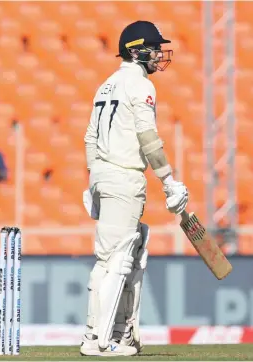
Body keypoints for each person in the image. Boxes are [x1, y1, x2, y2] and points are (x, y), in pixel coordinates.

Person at [81, 21, 189, 357]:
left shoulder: (106, 84)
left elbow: (89, 138)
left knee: (132, 253)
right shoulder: (139, 85)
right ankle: (97, 341)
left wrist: (93, 179)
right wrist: (169, 181)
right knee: (114, 260)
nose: (159, 54)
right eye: (154, 47)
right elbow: (147, 137)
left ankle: (121, 335)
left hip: (106, 175)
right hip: (124, 177)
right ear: (136, 50)